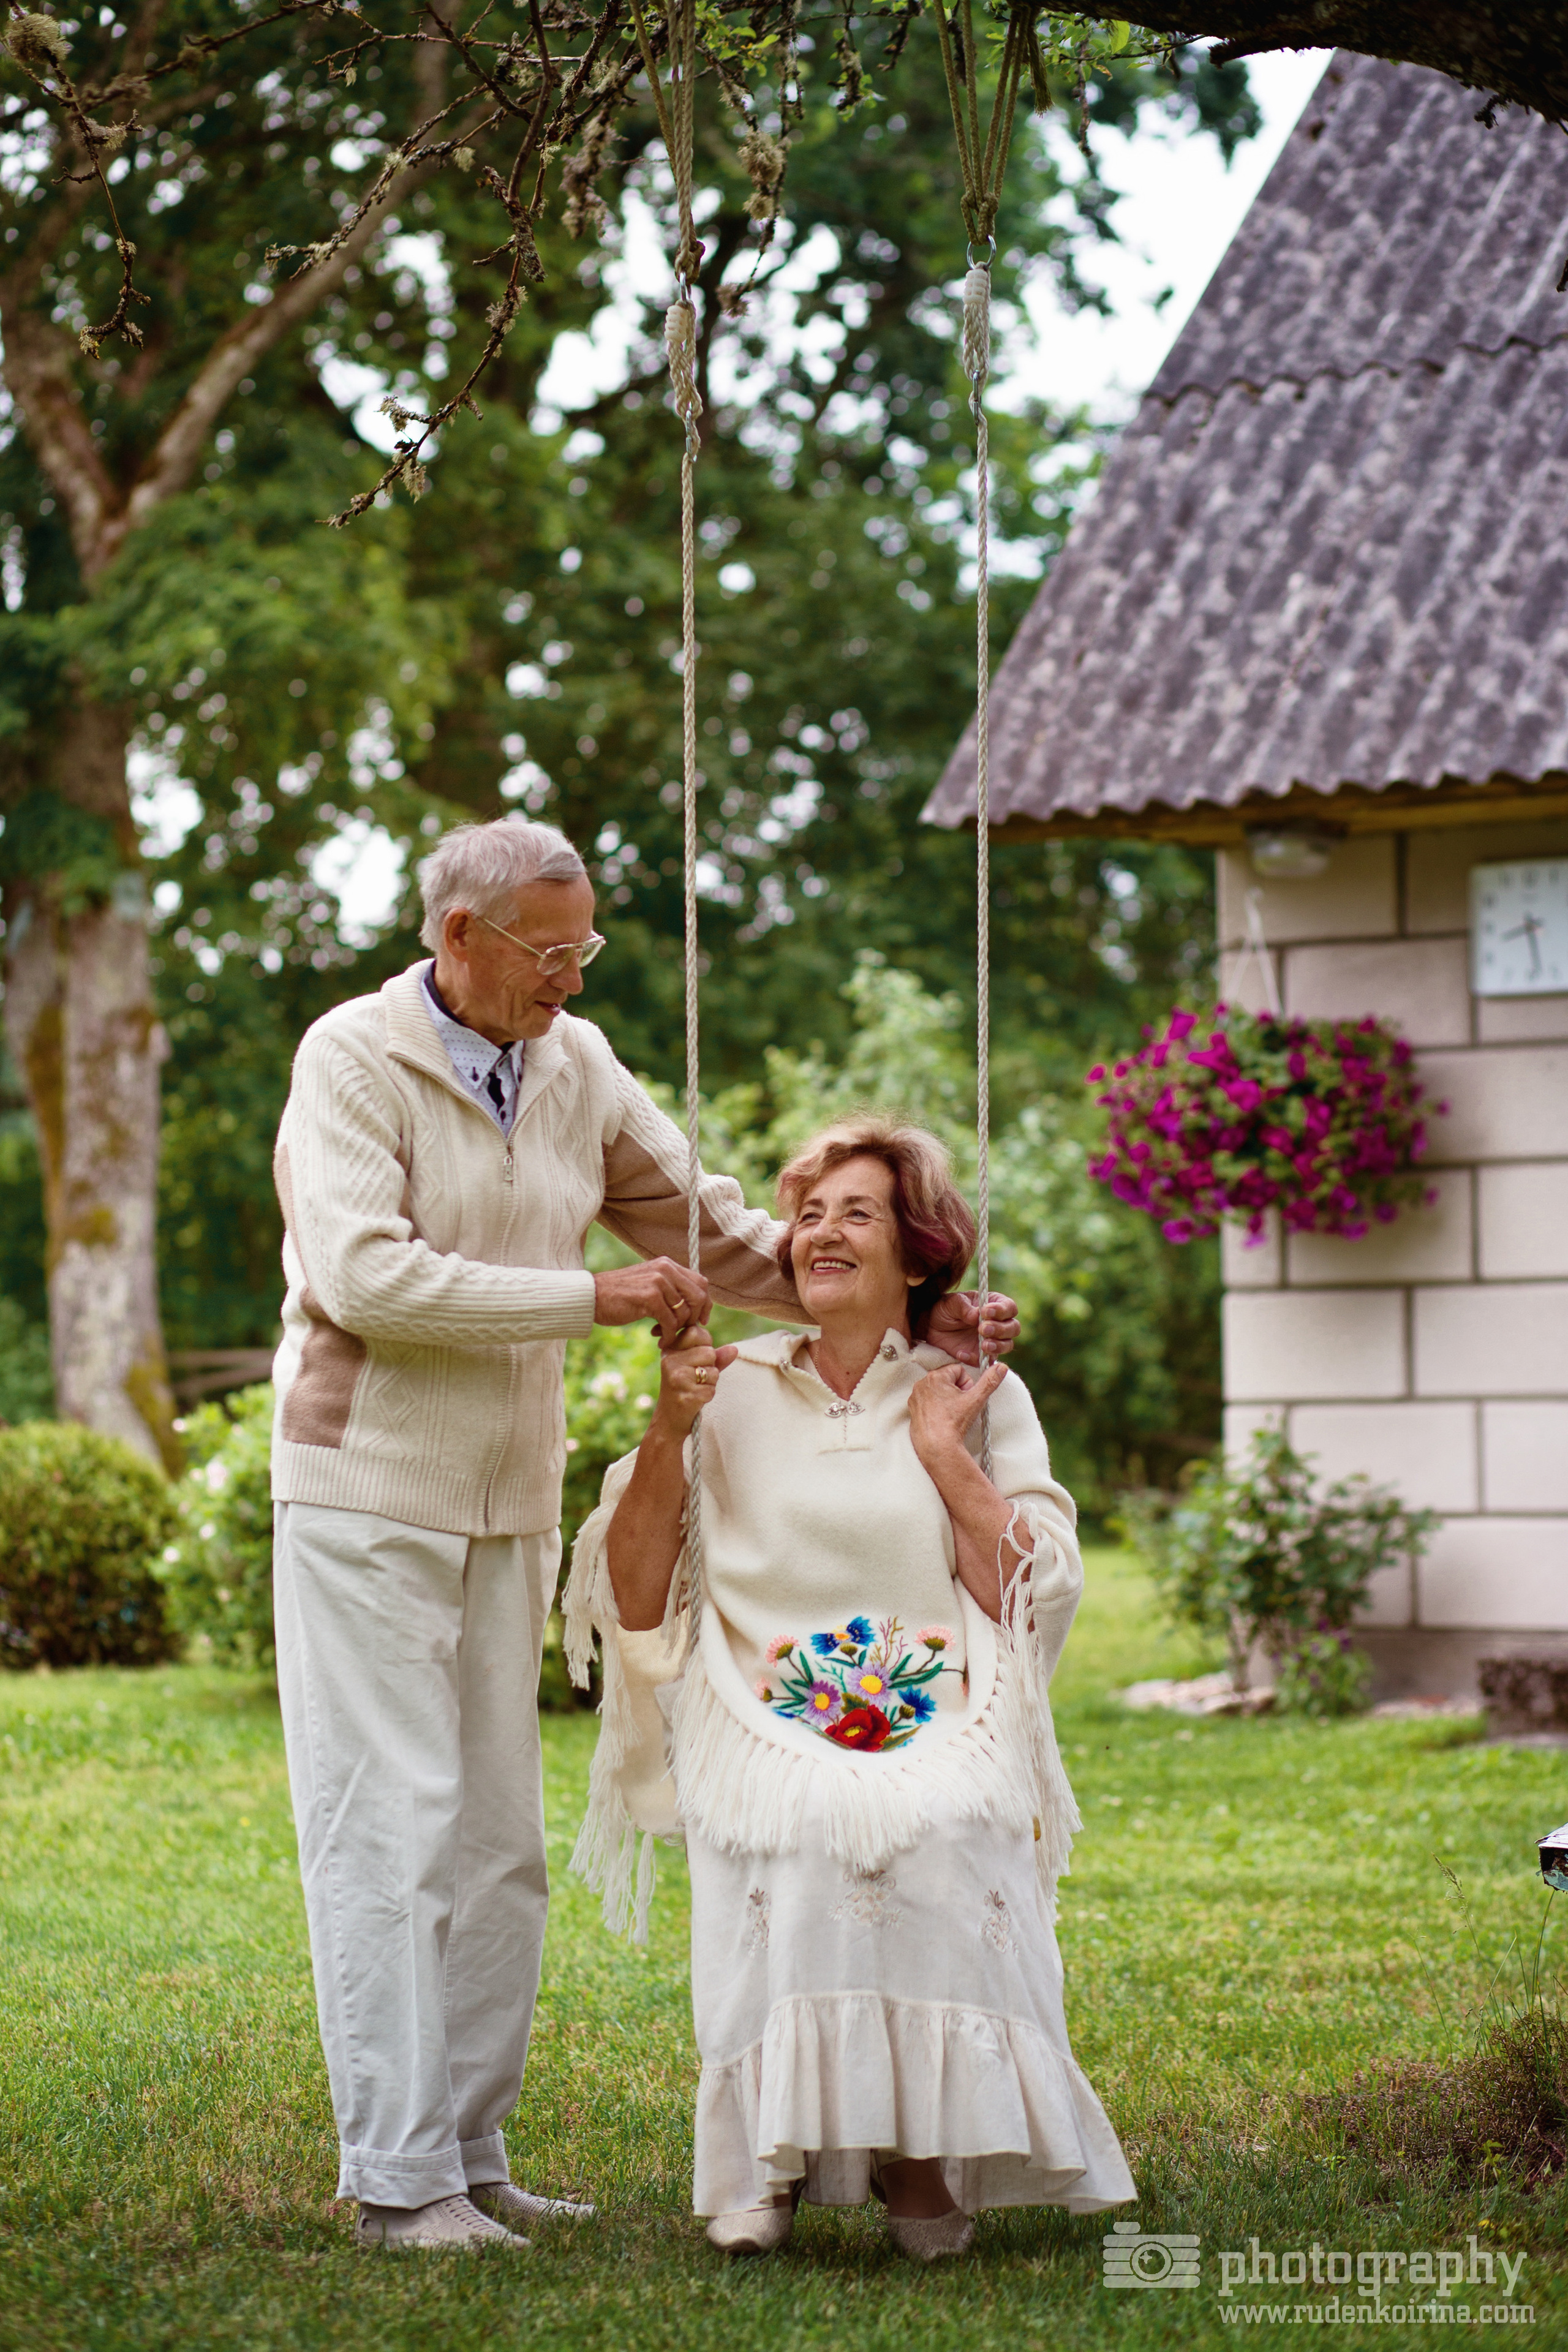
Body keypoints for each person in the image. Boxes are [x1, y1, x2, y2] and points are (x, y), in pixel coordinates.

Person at [269, 818, 1017, 2252]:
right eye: (546, 952)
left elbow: (712, 1231)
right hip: (364, 1488)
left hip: (505, 1494)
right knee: (390, 1829)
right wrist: (591, 1299)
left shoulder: (580, 1065)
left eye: (585, 948)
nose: (571, 977)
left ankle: (469, 2154)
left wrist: (913, 1304)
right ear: (459, 938)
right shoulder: (352, 1058)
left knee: (499, 1845)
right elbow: (365, 1279)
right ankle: (397, 2179)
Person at [565, 1118, 1133, 2260]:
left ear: (917, 1254)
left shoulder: (973, 1389)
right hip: (760, 1702)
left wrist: (944, 1451)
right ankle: (762, 2162)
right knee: (802, 1826)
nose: (822, 1233)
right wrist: (670, 1427)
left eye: (857, 1213)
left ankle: (920, 2155)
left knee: (941, 1822)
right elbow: (633, 1590)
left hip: (938, 1702)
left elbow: (1029, 1591)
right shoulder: (729, 1388)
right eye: (809, 1216)